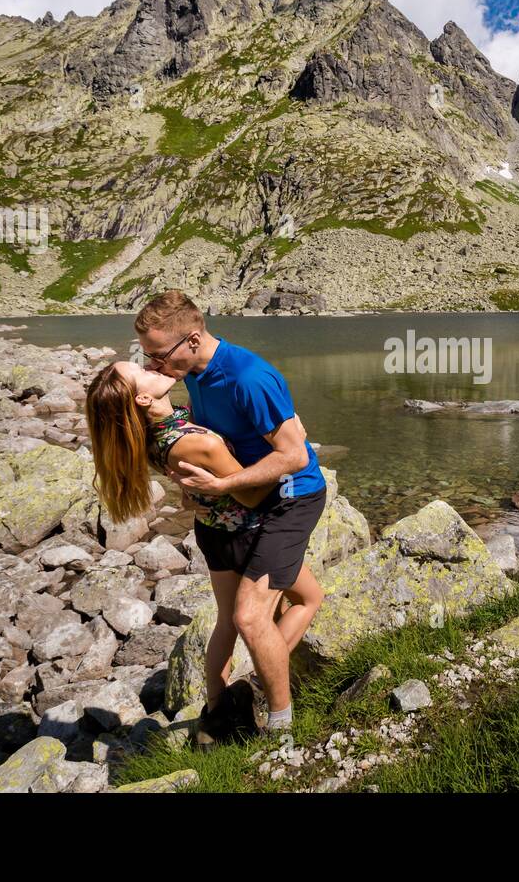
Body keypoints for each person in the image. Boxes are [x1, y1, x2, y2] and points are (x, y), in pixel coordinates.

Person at [132, 290, 327, 736]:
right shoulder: (194, 374)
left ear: (194, 340)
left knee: (249, 617)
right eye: (148, 357)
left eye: (159, 355)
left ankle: (280, 729)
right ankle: (250, 690)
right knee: (302, 599)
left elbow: (295, 456)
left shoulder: (248, 376)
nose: (154, 366)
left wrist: (223, 485)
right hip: (249, 501)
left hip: (291, 498)